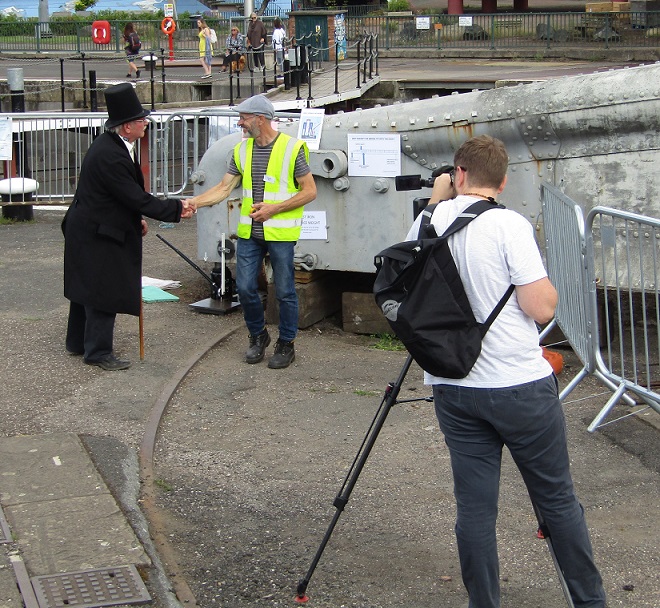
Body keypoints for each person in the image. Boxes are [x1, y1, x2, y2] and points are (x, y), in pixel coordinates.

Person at [405, 135, 606, 608]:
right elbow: (538, 308)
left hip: (453, 385)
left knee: (474, 509)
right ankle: (589, 601)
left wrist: (437, 200)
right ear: (503, 179)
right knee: (557, 501)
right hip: (517, 386)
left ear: (458, 174)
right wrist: (555, 292)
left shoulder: (426, 221)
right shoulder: (509, 224)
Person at [62, 83, 195, 371]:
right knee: (102, 289)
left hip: (91, 225)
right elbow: (134, 196)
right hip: (97, 231)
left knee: (85, 286)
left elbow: (120, 199)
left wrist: (137, 220)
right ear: (125, 127)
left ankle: (77, 342)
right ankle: (97, 351)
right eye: (140, 120)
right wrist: (175, 208)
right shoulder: (111, 155)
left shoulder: (112, 146)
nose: (145, 123)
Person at [190, 95, 316, 369]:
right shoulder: (242, 150)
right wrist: (192, 202)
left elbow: (310, 191)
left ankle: (286, 343)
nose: (240, 123)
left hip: (281, 234)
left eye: (244, 118)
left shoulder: (293, 149)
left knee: (284, 291)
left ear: (261, 119)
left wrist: (274, 209)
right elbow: (224, 188)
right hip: (249, 232)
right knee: (246, 288)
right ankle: (258, 336)